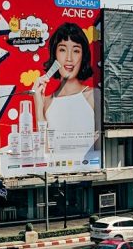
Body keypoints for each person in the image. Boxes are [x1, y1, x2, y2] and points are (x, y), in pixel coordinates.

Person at [31, 22, 101, 159]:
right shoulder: (46, 102)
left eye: (76, 50)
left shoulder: (94, 96)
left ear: (83, 56)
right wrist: (38, 107)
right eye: (62, 50)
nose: (69, 58)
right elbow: (44, 154)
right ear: (55, 54)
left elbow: (100, 149)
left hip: (89, 175)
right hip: (53, 177)